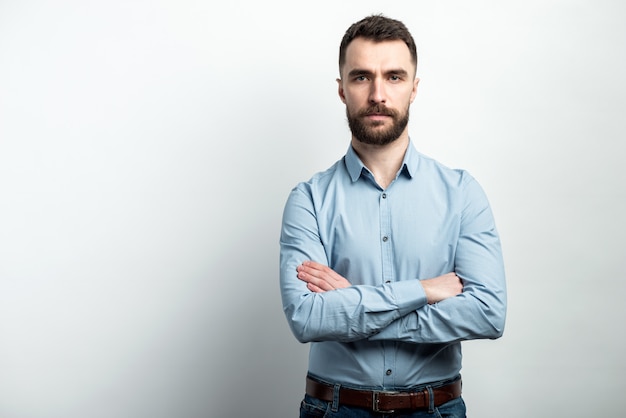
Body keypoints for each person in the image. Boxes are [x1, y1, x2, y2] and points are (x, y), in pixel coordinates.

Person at [279, 14, 506, 418]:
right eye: (362, 77)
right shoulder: (308, 199)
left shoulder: (461, 193)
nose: (378, 94)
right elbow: (307, 317)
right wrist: (422, 290)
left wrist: (353, 308)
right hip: (334, 409)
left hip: (436, 409)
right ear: (342, 89)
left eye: (395, 77)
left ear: (414, 88)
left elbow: (488, 312)